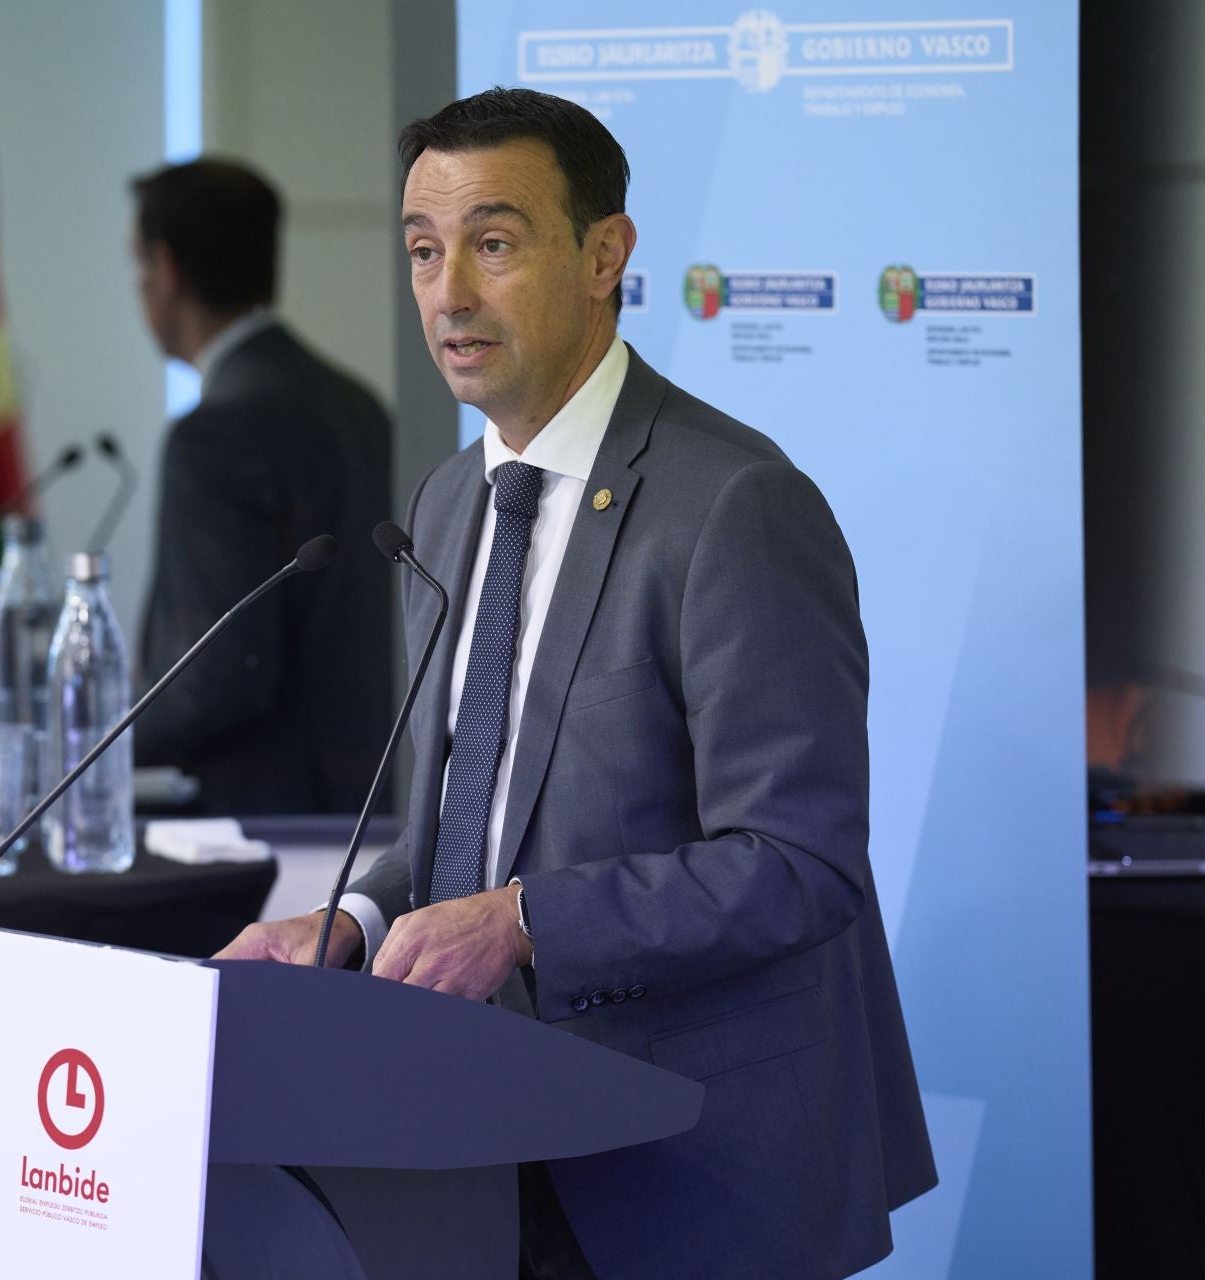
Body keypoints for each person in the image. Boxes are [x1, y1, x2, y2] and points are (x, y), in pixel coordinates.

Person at [217, 89, 936, 1278]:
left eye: (493, 244)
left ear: (606, 256)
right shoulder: (448, 502)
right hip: (477, 1151)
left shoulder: (735, 505)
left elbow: (799, 863)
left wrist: (522, 921)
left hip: (689, 1164)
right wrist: (351, 920)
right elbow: (467, 833)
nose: (449, 293)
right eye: (424, 251)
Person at [129, 159, 393, 815]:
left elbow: (216, 679)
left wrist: (87, 748)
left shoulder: (213, 436)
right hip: (373, 800)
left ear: (166, 270)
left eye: (138, 267)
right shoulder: (358, 404)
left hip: (256, 822)